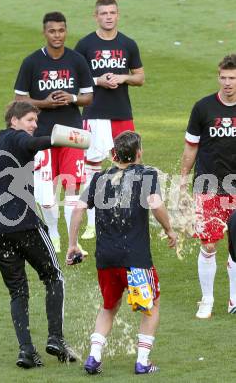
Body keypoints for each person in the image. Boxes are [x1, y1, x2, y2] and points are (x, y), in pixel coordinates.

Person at [0, 101, 77, 369]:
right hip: (25, 224)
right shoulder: (19, 138)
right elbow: (32, 145)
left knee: (18, 291)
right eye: (31, 120)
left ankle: (26, 352)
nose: (33, 125)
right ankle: (55, 338)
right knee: (53, 276)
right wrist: (56, 139)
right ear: (14, 121)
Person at [67, 131, 177, 375]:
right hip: (136, 260)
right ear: (138, 153)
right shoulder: (146, 174)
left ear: (115, 154)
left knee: (109, 306)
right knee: (151, 305)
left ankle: (94, 357)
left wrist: (72, 244)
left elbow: (78, 209)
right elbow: (156, 204)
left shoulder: (99, 178)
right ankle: (142, 362)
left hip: (106, 259)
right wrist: (169, 230)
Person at [14, 11, 94, 254]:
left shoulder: (77, 60)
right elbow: (19, 99)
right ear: (44, 32)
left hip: (72, 133)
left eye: (61, 30)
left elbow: (88, 97)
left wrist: (71, 98)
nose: (57, 35)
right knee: (47, 195)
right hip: (42, 135)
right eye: (52, 31)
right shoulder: (31, 62)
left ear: (66, 31)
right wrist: (46, 103)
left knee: (72, 187)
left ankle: (72, 241)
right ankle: (53, 233)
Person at [75, 0, 144, 240]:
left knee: (130, 166)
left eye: (112, 13)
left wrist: (122, 77)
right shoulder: (84, 45)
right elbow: (75, 81)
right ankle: (93, 222)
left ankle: (129, 216)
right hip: (94, 114)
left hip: (122, 113)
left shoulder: (128, 44)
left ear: (118, 15)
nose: (108, 17)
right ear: (96, 16)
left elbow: (140, 77)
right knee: (93, 169)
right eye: (103, 13)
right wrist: (98, 80)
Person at [180, 54, 236, 318]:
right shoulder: (203, 108)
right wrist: (182, 182)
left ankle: (234, 300)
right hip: (208, 187)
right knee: (209, 245)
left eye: (232, 78)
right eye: (223, 77)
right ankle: (207, 299)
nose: (227, 83)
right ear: (218, 77)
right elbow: (190, 148)